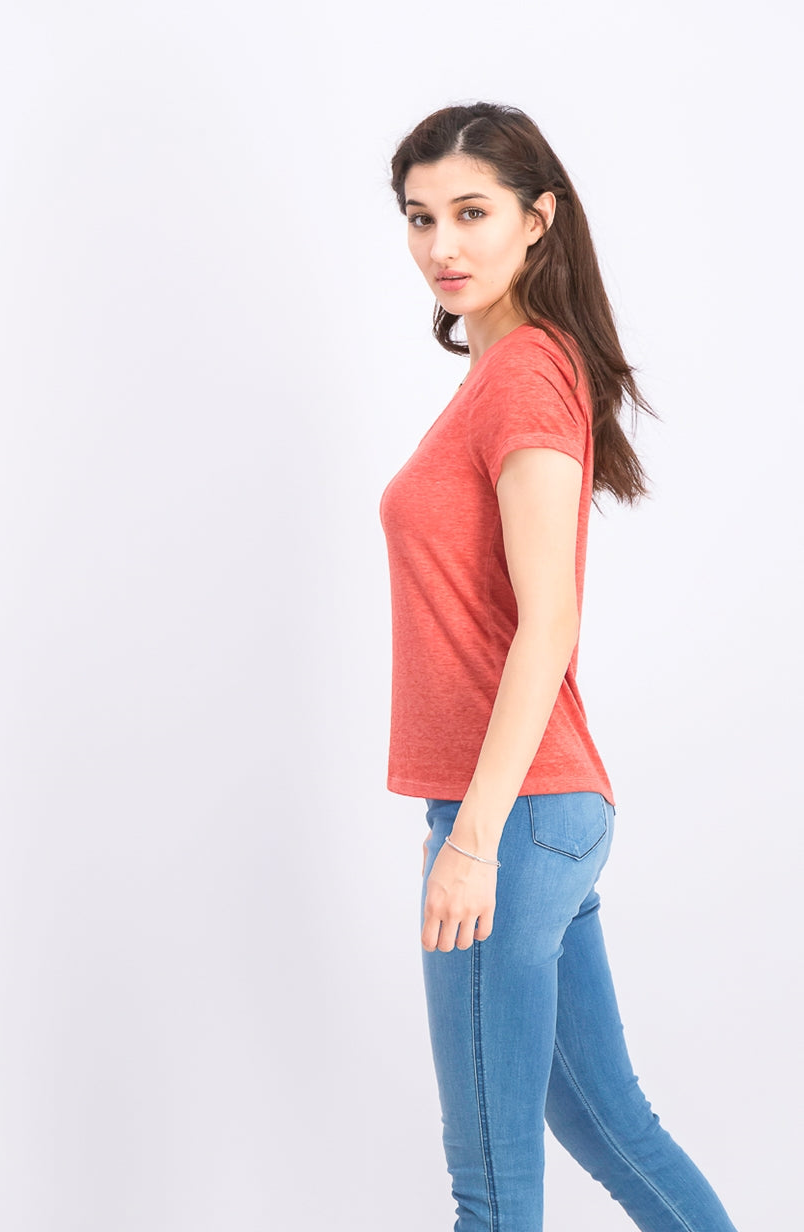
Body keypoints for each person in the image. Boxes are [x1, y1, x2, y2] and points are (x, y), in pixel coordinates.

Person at [378, 102, 739, 1232]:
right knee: (619, 1132)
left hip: (513, 814)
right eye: (420, 217)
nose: (443, 245)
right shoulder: (506, 370)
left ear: (538, 219)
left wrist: (471, 842)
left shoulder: (526, 373)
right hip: (541, 808)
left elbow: (550, 623)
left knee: (492, 1190)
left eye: (471, 213)